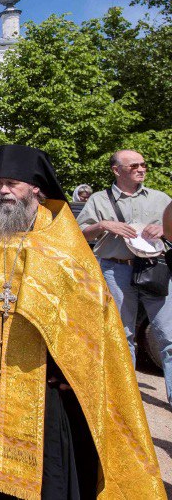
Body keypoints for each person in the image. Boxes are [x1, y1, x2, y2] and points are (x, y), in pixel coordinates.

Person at [0, 144, 164, 498]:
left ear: (36, 187)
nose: (4, 191)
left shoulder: (61, 237)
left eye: (12, 183)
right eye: (0, 183)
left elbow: (85, 311)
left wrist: (68, 366)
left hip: (41, 371)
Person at [77, 149, 171, 407]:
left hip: (155, 268)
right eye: (134, 166)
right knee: (122, 334)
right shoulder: (99, 200)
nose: (141, 169)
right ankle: (126, 399)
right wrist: (103, 225)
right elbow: (80, 233)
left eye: (144, 165)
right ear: (116, 170)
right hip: (116, 269)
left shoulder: (160, 198)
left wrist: (164, 229)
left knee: (168, 335)